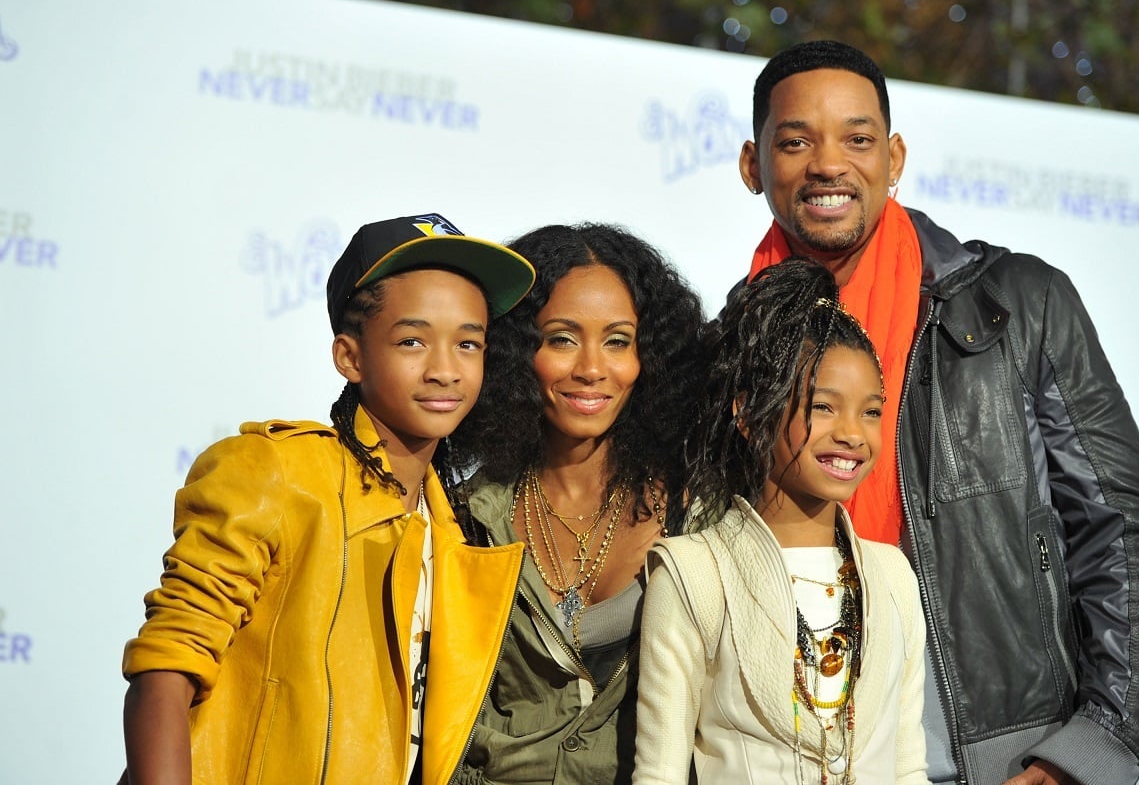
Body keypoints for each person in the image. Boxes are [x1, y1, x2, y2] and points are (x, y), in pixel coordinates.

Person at [734, 40, 1139, 785]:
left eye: (858, 138)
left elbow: (1121, 527)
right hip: (800, 754)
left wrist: (1096, 747)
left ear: (895, 157)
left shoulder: (1019, 303)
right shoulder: (733, 352)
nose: (828, 163)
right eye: (796, 140)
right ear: (754, 166)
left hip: (999, 758)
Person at [119, 213, 535, 784]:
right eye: (412, 340)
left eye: (468, 343)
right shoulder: (277, 469)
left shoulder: (459, 530)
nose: (445, 370)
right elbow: (165, 669)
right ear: (350, 357)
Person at [633, 255, 928, 785]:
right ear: (747, 414)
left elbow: (907, 767)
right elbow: (659, 774)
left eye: (871, 411)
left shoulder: (893, 577)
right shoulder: (693, 574)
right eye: (822, 407)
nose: (853, 435)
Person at [447, 223, 706, 785]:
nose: (592, 368)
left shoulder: (696, 513)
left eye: (618, 341)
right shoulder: (465, 516)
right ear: (518, 352)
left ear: (649, 358)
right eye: (561, 338)